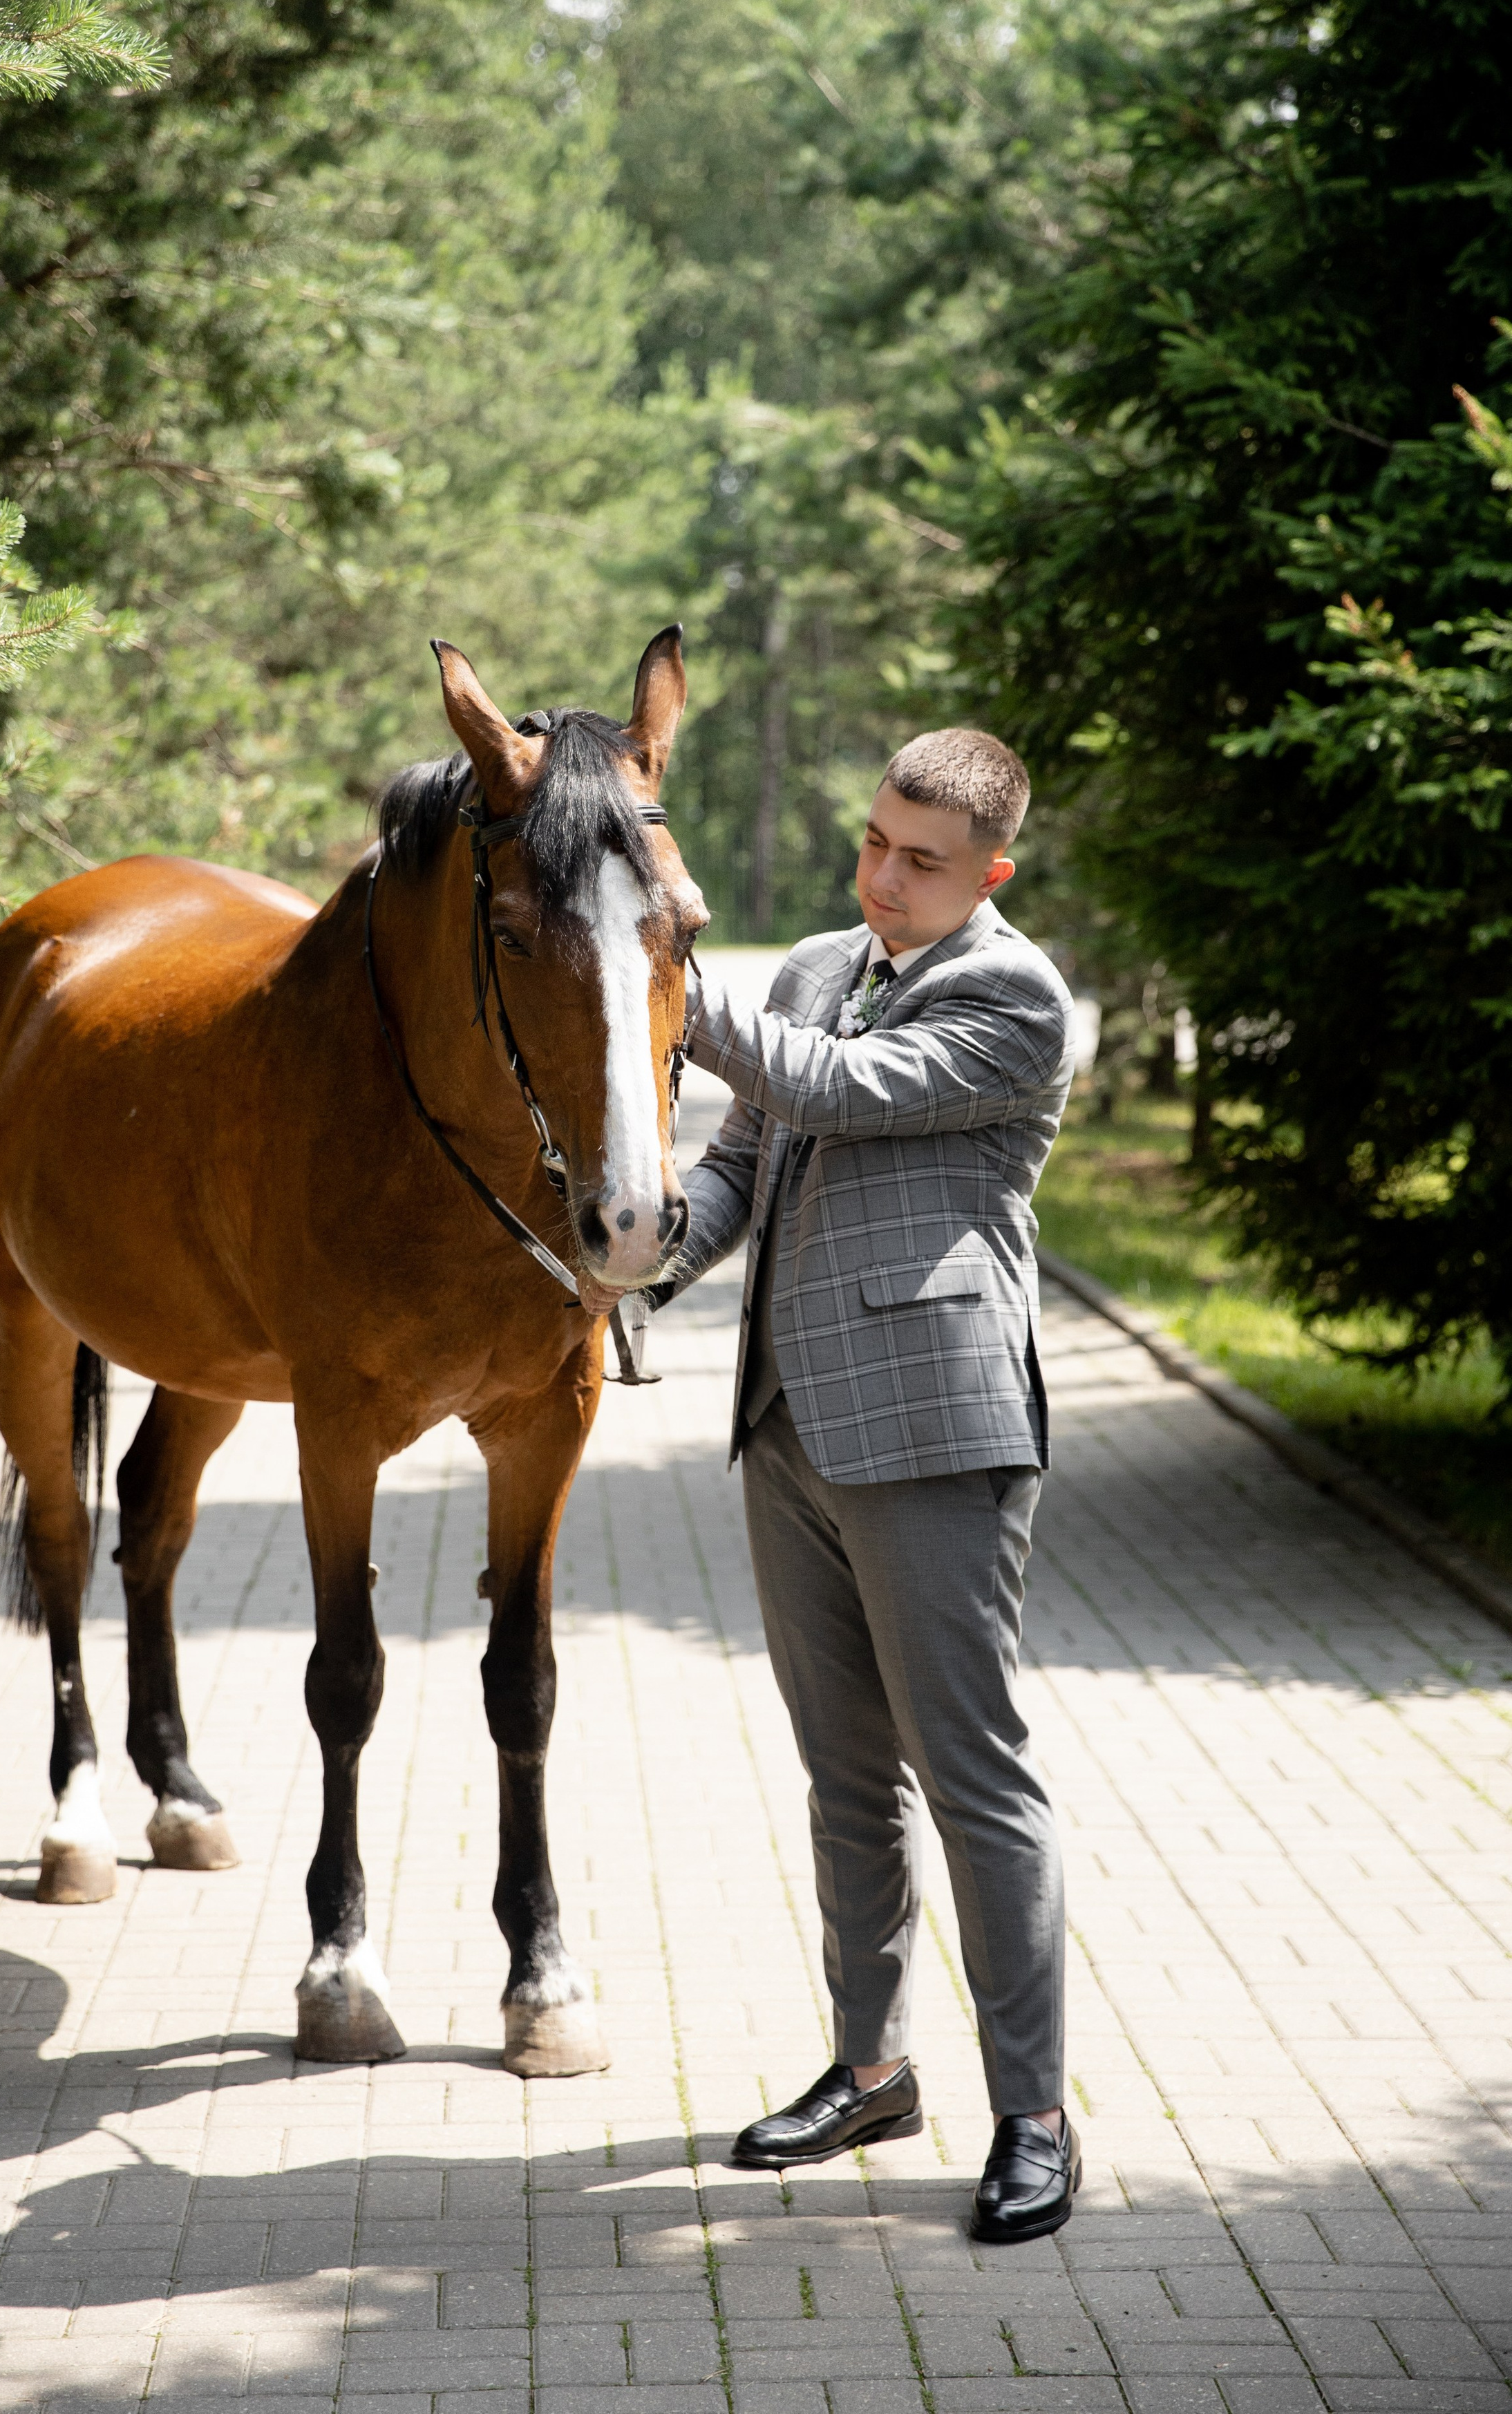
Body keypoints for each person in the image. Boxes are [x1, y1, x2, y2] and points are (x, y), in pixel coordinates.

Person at [658, 726, 1079, 2243]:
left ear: (989, 874)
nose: (882, 881)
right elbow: (745, 1158)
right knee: (845, 1777)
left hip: (932, 1434)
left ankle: (1031, 2112)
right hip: (785, 1427)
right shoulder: (816, 966)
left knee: (975, 1783)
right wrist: (634, 1269)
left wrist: (648, 967)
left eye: (921, 862)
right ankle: (870, 2070)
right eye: (873, 844)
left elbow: (837, 1091)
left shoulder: (1016, 997)